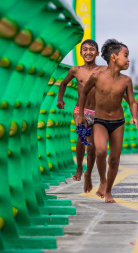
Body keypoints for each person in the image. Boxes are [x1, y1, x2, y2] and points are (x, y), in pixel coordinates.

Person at [76, 39, 138, 203]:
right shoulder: (96, 77)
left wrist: (134, 116)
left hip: (118, 122)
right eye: (125, 56)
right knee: (101, 151)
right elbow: (83, 94)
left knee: (114, 159)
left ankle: (109, 190)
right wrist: (81, 114)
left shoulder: (126, 80)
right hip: (100, 121)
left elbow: (132, 101)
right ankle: (103, 180)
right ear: (113, 57)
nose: (128, 60)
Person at [56, 39, 106, 191]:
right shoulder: (75, 70)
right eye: (85, 49)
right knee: (81, 133)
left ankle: (88, 174)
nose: (88, 52)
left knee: (91, 149)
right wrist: (60, 99)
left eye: (92, 49)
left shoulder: (103, 69)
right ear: (81, 53)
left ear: (97, 53)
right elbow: (63, 83)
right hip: (80, 109)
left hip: (97, 111)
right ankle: (79, 167)